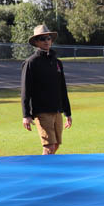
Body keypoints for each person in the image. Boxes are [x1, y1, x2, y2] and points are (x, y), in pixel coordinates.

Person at [20, 24, 72, 154]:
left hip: (57, 110)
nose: (46, 41)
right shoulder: (31, 62)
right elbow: (25, 90)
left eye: (48, 38)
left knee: (56, 145)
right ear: (36, 42)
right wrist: (26, 115)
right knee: (49, 146)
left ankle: (46, 166)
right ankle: (42, 167)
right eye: (42, 39)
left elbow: (62, 88)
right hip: (42, 111)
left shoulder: (57, 62)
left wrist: (67, 113)